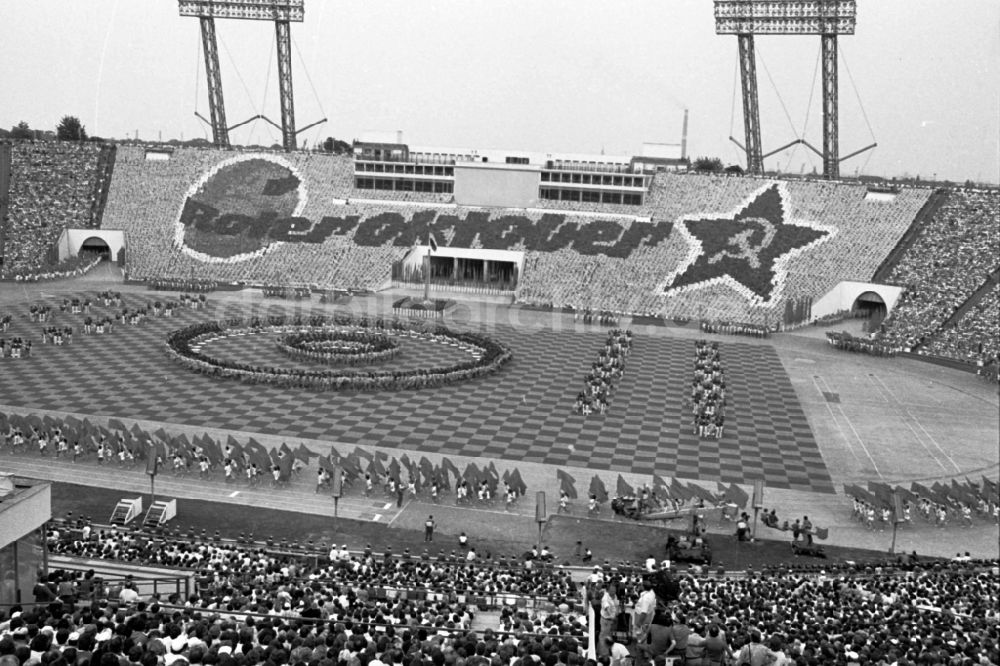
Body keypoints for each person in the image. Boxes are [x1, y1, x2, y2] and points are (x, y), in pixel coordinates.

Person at [600, 582, 621, 652]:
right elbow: (606, 608)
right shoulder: (605, 598)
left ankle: (608, 651)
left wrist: (617, 611)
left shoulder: (615, 596)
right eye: (612, 591)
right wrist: (612, 616)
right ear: (608, 590)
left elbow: (617, 604)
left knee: (609, 636)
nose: (614, 592)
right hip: (606, 620)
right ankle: (603, 653)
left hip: (612, 620)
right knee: (604, 637)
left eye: (615, 591)